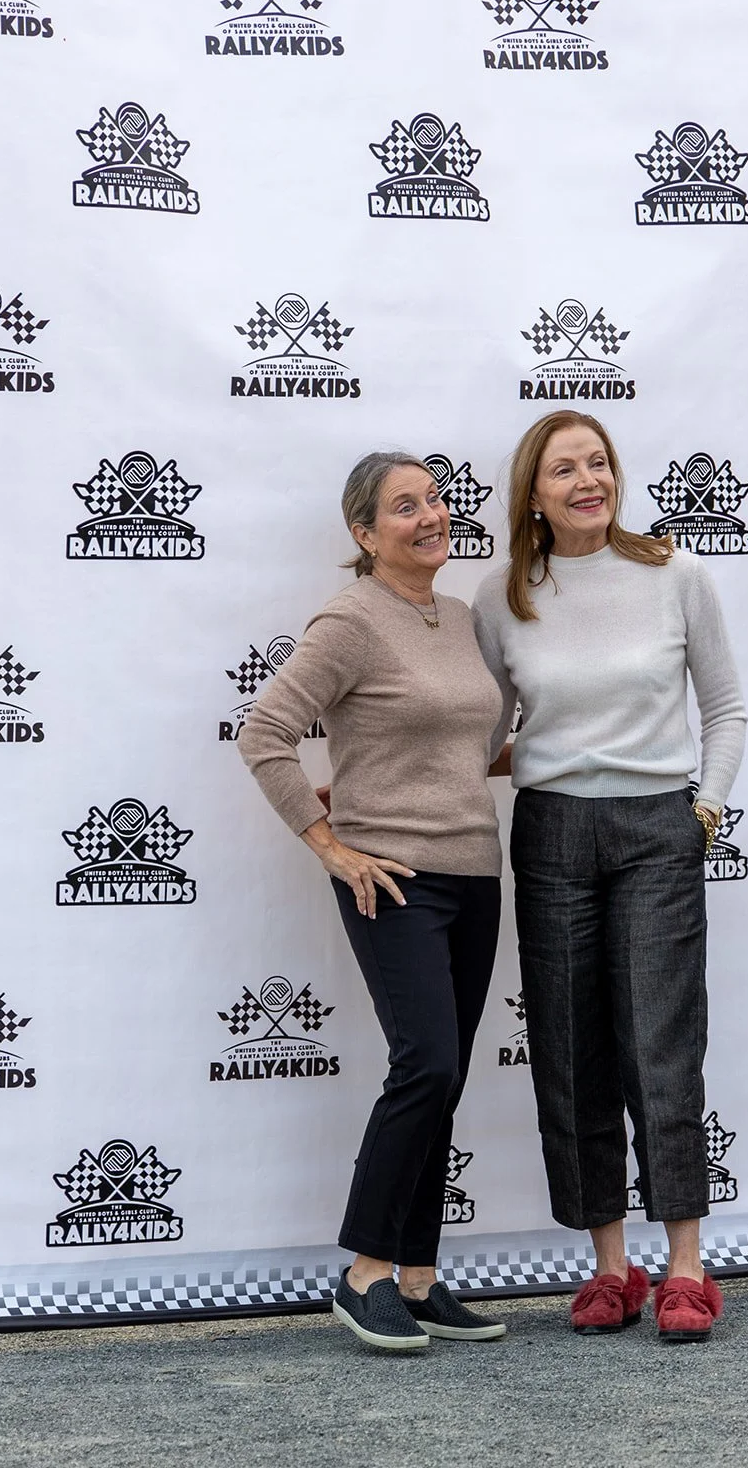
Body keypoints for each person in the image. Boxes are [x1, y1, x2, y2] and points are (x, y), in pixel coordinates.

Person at [473, 411, 746, 1342]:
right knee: (571, 1045)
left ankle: (685, 1269)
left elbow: (728, 707)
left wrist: (702, 809)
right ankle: (607, 1267)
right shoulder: (504, 596)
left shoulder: (675, 574)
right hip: (549, 834)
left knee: (661, 1043)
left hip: (657, 830)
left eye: (598, 463)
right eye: (564, 469)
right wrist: (378, 784)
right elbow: (482, 734)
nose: (587, 480)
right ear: (534, 494)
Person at [239, 451, 507, 1352]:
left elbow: (463, 750)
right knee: (424, 1063)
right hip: (392, 878)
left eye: (435, 499)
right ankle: (363, 1275)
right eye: (404, 507)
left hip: (475, 873)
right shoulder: (351, 620)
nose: (430, 515)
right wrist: (329, 846)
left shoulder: (463, 618)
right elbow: (265, 732)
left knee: (448, 1076)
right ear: (364, 532)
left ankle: (422, 1277)